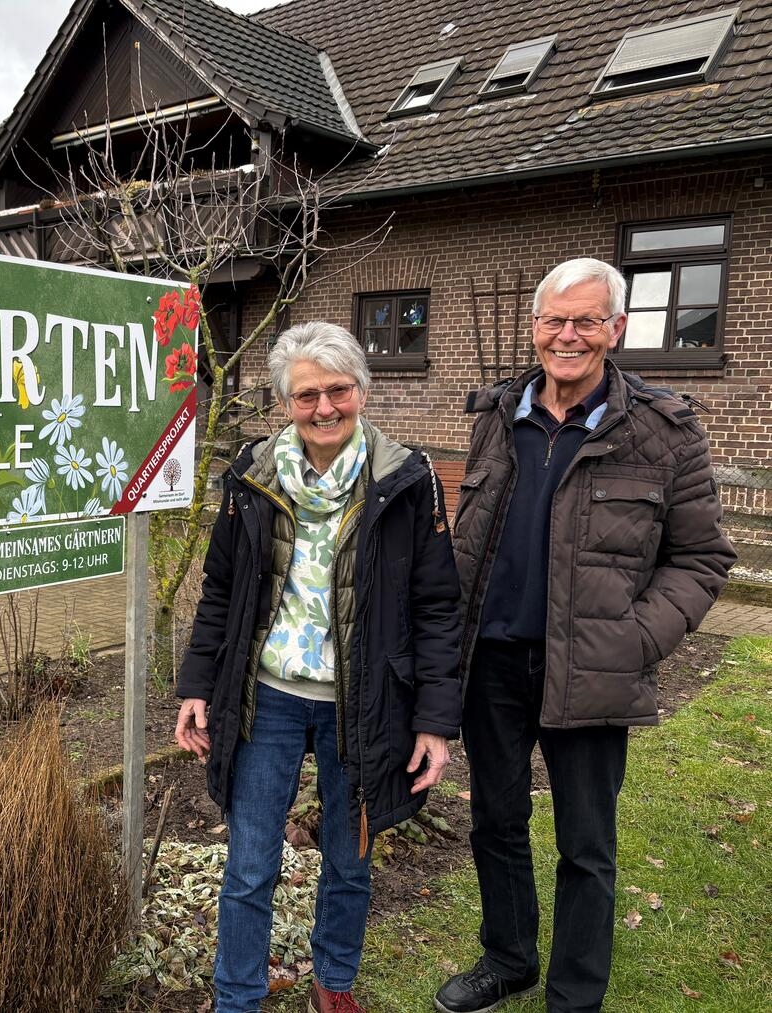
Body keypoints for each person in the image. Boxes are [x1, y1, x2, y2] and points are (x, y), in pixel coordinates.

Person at [435, 257, 735, 1013]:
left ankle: (575, 992)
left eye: (586, 320)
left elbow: (701, 558)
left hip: (594, 670)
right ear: (535, 328)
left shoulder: (663, 433)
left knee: (586, 845)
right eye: (554, 320)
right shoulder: (498, 416)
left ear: (615, 329)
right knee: (496, 820)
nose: (567, 335)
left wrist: (636, 638)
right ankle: (507, 957)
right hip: (494, 662)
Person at [175, 321, 462, 1013]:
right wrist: (194, 684)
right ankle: (236, 998)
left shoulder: (406, 477)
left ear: (362, 390)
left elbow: (437, 608)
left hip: (363, 702)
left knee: (349, 858)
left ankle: (332, 984)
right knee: (249, 866)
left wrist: (434, 719)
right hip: (264, 698)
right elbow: (222, 590)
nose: (325, 407)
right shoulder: (252, 475)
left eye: (338, 390)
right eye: (308, 395)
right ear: (286, 401)